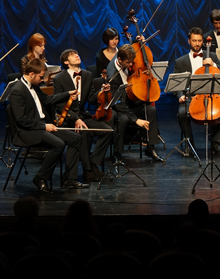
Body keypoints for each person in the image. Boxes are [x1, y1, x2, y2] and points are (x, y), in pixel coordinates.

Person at [9, 58, 88, 192]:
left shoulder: (34, 85)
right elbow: (21, 119)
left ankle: (69, 179)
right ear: (32, 74)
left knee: (76, 138)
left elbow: (47, 99)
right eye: (40, 77)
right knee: (58, 144)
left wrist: (68, 94)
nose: (42, 80)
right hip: (28, 131)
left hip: (41, 126)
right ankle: (40, 177)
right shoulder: (17, 90)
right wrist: (44, 126)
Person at [54, 49, 111, 182]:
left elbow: (91, 98)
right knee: (82, 132)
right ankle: (87, 170)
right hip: (69, 117)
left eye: (77, 54)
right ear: (66, 62)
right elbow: (60, 106)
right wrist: (76, 119)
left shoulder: (87, 75)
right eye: (72, 55)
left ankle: (93, 163)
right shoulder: (59, 79)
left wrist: (101, 92)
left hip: (83, 115)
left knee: (107, 130)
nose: (77, 55)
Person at [172, 28, 220, 155]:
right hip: (191, 97)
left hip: (211, 96)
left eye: (199, 41)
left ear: (203, 41)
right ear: (189, 41)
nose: (197, 44)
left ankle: (215, 143)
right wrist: (180, 95)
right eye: (194, 41)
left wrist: (214, 65)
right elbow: (177, 84)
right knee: (182, 114)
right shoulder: (180, 62)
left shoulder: (212, 56)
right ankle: (190, 145)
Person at [106, 44, 164, 163]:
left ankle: (150, 148)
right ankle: (117, 153)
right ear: (119, 59)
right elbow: (118, 103)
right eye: (128, 62)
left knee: (151, 110)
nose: (131, 65)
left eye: (132, 61)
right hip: (118, 107)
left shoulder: (126, 60)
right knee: (123, 119)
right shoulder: (112, 75)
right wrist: (136, 120)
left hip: (131, 102)